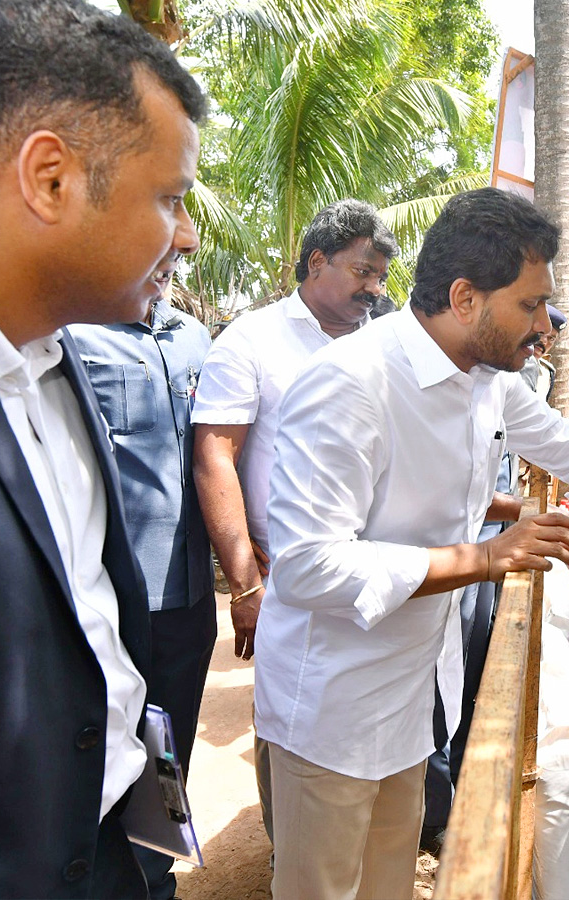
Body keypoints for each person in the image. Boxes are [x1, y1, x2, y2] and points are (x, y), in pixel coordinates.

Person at [253, 186, 569, 900]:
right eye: (531, 305)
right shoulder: (353, 383)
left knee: (384, 883)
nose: (544, 327)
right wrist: (490, 556)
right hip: (332, 703)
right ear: (466, 298)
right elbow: (309, 569)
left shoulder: (482, 380)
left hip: (410, 693)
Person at [0, 1, 204, 895]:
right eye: (168, 198)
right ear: (50, 178)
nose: (183, 236)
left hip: (105, 852)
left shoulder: (59, 363)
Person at [191, 199, 398, 844]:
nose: (375, 289)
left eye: (380, 276)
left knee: (365, 721)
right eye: (363, 272)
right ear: (317, 261)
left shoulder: (383, 346)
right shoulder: (251, 342)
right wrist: (247, 585)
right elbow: (215, 458)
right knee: (290, 720)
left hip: (379, 569)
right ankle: (292, 858)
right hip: (287, 578)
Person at [70, 275, 216, 900]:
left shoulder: (196, 342)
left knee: (168, 745)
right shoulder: (75, 337)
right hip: (114, 594)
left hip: (190, 593)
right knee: (104, 745)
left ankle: (155, 879)